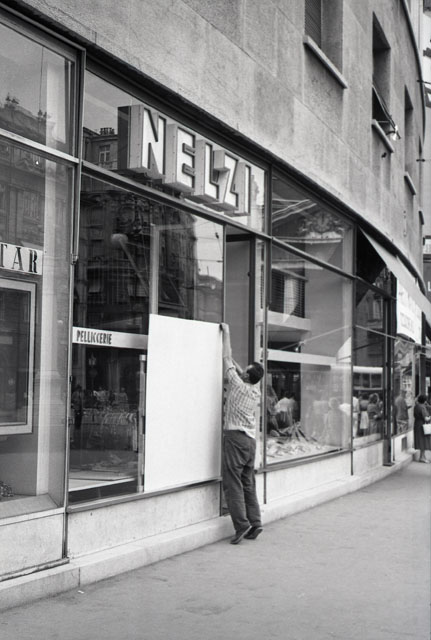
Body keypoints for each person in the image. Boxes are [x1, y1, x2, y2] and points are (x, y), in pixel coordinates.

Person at [220, 323, 264, 545]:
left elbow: (227, 358)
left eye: (244, 370)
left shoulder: (237, 386)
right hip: (250, 442)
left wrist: (227, 332)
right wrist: (242, 370)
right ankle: (255, 522)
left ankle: (241, 525)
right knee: (248, 483)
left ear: (246, 375)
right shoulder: (255, 389)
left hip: (235, 439)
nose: (241, 370)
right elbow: (238, 370)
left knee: (233, 483)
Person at [413, 395, 431, 463]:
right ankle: (422, 458)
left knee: (421, 441)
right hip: (422, 425)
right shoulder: (422, 407)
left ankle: (422, 457)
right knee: (423, 441)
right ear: (425, 401)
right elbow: (426, 419)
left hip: (417, 424)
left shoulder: (416, 406)